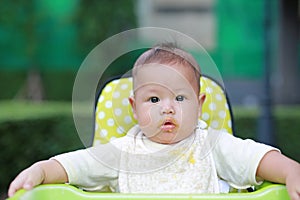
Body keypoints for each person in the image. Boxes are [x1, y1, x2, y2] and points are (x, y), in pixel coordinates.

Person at [8, 43, 300, 199]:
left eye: (181, 99)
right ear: (135, 108)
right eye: (154, 100)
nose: (168, 110)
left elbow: (254, 158)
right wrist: (42, 170)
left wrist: (290, 171)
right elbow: (77, 165)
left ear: (199, 106)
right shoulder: (122, 152)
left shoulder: (211, 145)